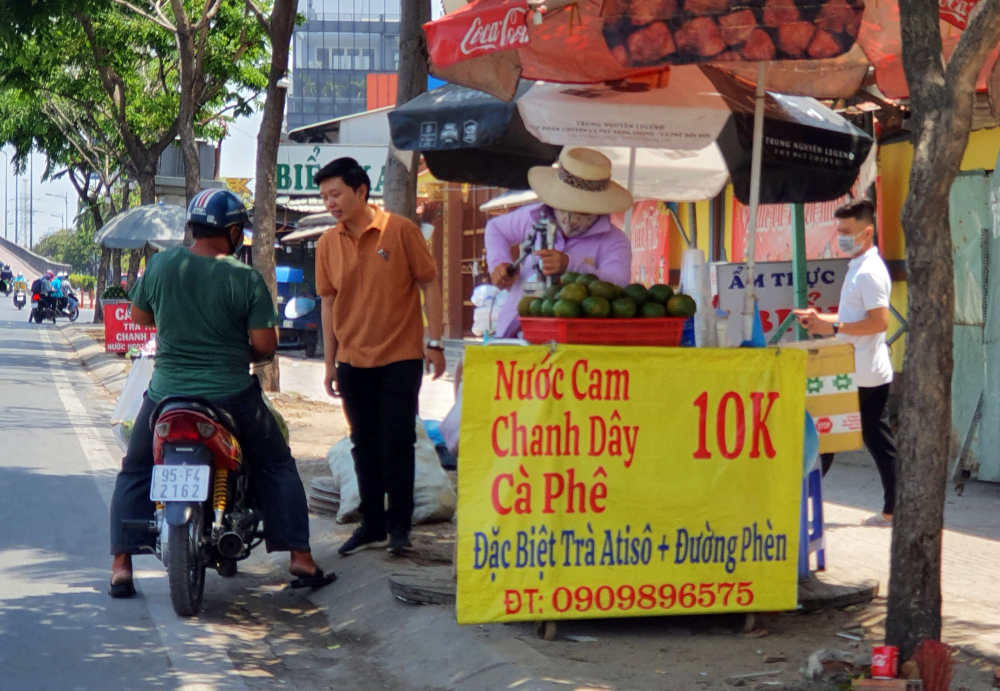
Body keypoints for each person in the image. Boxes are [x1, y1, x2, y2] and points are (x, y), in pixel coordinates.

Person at [107, 189, 334, 598]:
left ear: (191, 227)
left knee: (136, 469)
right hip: (231, 396)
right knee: (277, 464)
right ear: (232, 232)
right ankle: (300, 556)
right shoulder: (244, 278)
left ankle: (121, 566)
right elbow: (264, 345)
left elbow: (140, 316)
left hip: (166, 396)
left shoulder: (160, 265)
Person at [313, 157, 445, 557]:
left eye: (335, 194)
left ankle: (400, 527)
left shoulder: (400, 231)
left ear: (361, 191)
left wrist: (435, 342)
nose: (329, 203)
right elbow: (328, 304)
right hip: (353, 361)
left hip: (400, 357)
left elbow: (431, 284)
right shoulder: (326, 243)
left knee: (398, 441)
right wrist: (329, 363)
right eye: (324, 197)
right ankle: (371, 525)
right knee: (363, 444)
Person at [794, 199, 898, 527]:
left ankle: (796, 504)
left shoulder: (869, 272)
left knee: (826, 436)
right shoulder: (858, 266)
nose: (842, 237)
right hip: (861, 370)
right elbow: (856, 317)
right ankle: (894, 509)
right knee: (872, 440)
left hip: (863, 374)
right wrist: (821, 319)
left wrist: (834, 327)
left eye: (848, 231)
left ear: (868, 232)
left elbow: (879, 322)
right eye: (839, 231)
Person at [485, 147, 634, 338]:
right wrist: (499, 263)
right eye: (566, 205)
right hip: (515, 336)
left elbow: (619, 286)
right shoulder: (533, 217)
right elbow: (495, 229)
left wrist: (571, 265)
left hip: (577, 345)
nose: (572, 216)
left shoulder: (614, 241)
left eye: (582, 210)